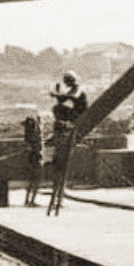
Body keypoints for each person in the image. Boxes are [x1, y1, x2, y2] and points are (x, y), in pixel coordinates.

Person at [45, 71, 88, 215]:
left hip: (79, 116)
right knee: (57, 108)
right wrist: (57, 93)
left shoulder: (78, 89)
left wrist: (58, 93)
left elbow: (72, 97)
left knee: (57, 108)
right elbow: (62, 98)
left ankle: (59, 197)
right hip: (72, 116)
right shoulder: (71, 90)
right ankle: (58, 196)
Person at [21, 113, 46, 207]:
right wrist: (40, 123)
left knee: (31, 181)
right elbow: (39, 136)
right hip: (36, 158)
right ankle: (31, 200)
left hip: (31, 158)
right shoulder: (34, 136)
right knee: (36, 181)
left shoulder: (28, 137)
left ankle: (27, 200)